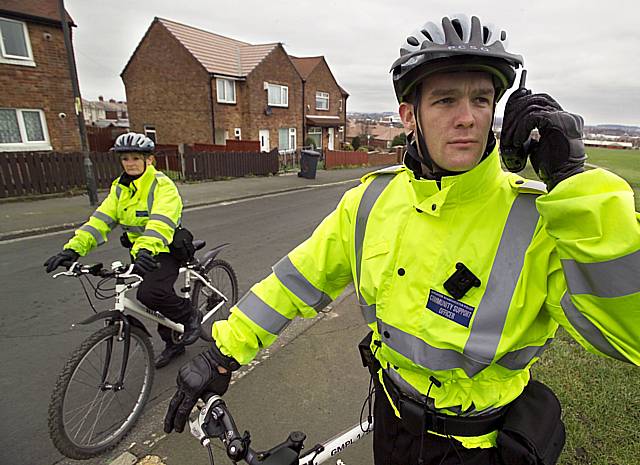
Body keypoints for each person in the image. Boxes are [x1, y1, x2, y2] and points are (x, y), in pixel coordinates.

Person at [163, 14, 640, 465]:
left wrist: (574, 183)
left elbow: (629, 334)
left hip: (479, 446)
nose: (468, 118)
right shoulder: (371, 200)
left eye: (481, 99)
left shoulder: (536, 219)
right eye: (446, 100)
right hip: (390, 423)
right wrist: (223, 352)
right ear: (409, 116)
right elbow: (296, 278)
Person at [44, 132, 201, 369]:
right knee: (149, 301)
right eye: (125, 158)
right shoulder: (119, 188)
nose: (130, 163)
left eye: (136, 158)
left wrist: (146, 249)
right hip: (141, 252)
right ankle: (174, 343)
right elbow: (100, 221)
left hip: (164, 248)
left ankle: (190, 315)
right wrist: (73, 250)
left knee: (151, 294)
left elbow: (161, 221)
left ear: (149, 160)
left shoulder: (162, 186)